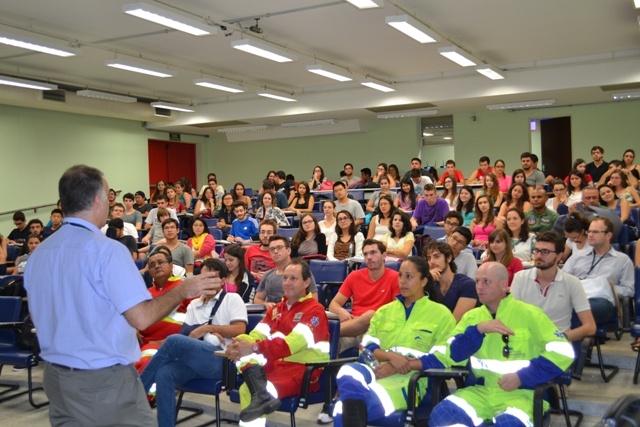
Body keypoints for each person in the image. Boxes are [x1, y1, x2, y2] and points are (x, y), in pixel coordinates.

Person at [24, 164, 221, 427]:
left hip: (56, 377)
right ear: (97, 200)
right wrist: (184, 288)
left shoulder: (39, 254)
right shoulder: (108, 252)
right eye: (108, 195)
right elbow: (142, 317)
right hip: (102, 380)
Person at [417, 262, 574, 427]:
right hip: (480, 393)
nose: (479, 286)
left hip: (521, 395)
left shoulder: (530, 313)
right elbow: (453, 353)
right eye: (477, 281)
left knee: (507, 423)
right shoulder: (472, 317)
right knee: (442, 416)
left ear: (503, 285)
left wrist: (523, 376)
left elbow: (563, 352)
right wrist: (478, 330)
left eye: (486, 281)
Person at [332, 256, 456, 427]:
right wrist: (389, 357)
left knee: (342, 409)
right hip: (375, 371)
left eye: (409, 276)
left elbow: (444, 357)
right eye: (400, 275)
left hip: (409, 381)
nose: (402, 281)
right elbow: (366, 346)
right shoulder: (385, 311)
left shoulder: (441, 315)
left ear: (424, 281)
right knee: (348, 370)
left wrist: (399, 365)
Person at [140, 258, 248, 427]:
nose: (208, 282)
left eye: (213, 278)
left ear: (222, 280)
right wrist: (200, 332)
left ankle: (136, 393)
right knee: (164, 373)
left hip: (222, 361)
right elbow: (188, 339)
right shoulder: (193, 305)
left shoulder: (232, 299)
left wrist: (207, 328)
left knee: (173, 339)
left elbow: (240, 329)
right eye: (204, 278)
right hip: (195, 360)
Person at [225, 259, 330, 425]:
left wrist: (252, 347)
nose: (287, 283)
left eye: (293, 279)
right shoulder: (277, 308)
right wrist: (238, 345)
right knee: (244, 340)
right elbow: (256, 335)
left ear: (306, 282)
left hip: (303, 370)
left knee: (251, 389)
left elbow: (290, 345)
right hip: (274, 364)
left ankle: (261, 394)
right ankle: (261, 394)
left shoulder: (314, 310)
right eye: (285, 278)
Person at [511, 231, 596, 342]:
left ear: (559, 256)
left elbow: (590, 327)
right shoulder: (520, 278)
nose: (539, 256)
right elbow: (511, 317)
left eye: (545, 252)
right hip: (526, 342)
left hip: (556, 345)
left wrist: (560, 338)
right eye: (536, 251)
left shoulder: (572, 282)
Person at [329, 239, 400, 352]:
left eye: (373, 252)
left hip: (378, 329)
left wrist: (366, 318)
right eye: (366, 254)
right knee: (329, 343)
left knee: (371, 315)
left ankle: (327, 330)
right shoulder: (354, 276)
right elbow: (334, 304)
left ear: (384, 255)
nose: (369, 257)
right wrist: (341, 311)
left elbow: (397, 310)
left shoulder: (395, 278)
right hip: (352, 329)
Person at [562, 217, 634, 323]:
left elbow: (629, 290)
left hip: (601, 299)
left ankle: (576, 334)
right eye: (589, 231)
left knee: (586, 308)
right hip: (575, 296)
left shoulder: (622, 260)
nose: (590, 235)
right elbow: (561, 279)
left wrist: (606, 287)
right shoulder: (577, 257)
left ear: (608, 235)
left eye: (595, 232)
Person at [254, 235, 319, 307]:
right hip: (273, 314)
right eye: (272, 249)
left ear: (288, 250)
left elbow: (314, 299)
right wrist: (265, 304)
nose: (275, 251)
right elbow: (257, 299)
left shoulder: (302, 271)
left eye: (279, 248)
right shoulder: (267, 275)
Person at [425, 241, 479, 322]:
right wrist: (426, 281)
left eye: (436, 256)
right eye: (428, 258)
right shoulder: (430, 284)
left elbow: (454, 323)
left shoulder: (467, 285)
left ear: (449, 258)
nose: (431, 262)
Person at [553, 185, 622, 242]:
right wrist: (572, 215)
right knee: (560, 219)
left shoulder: (606, 211)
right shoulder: (577, 207)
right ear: (582, 199)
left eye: (594, 198)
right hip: (571, 241)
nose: (591, 200)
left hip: (593, 242)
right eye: (588, 198)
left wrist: (576, 215)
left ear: (598, 199)